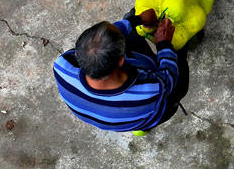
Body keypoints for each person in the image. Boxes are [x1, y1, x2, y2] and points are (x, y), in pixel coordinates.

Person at [53, 8, 191, 133]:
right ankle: (145, 123)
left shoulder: (62, 65)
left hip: (116, 117)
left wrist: (136, 19)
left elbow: (101, 40)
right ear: (121, 60)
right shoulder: (149, 90)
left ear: (76, 53)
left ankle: (139, 126)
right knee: (178, 66)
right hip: (156, 109)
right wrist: (164, 43)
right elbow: (169, 76)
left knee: (130, 21)